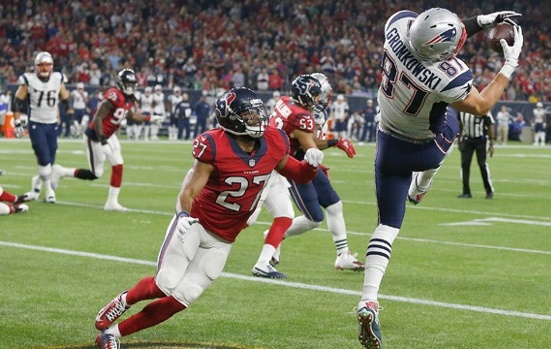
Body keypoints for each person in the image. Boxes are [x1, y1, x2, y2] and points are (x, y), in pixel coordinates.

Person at [92, 87, 323, 349]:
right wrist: (182, 216)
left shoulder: (274, 141)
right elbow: (189, 190)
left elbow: (300, 175)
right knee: (165, 283)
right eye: (250, 115)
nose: (258, 119)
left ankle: (112, 335)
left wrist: (310, 166)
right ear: (232, 118)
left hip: (224, 238)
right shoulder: (214, 144)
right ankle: (123, 301)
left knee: (183, 297)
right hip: (196, 224)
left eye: (259, 113)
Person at [356, 8, 523, 349]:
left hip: (388, 142)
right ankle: (423, 186)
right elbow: (481, 106)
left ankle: (368, 299)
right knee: (454, 122)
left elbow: (437, 34)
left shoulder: (396, 27)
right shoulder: (449, 75)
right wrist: (511, 62)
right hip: (425, 149)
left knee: (387, 224)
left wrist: (484, 20)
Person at [247, 73, 363, 278]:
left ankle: (343, 254)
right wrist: (336, 142)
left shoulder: (284, 101)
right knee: (314, 219)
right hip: (291, 165)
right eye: (318, 95)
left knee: (335, 205)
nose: (320, 99)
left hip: (294, 157)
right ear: (307, 95)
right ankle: (274, 237)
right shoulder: (302, 117)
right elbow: (311, 148)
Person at [50, 69, 163, 211]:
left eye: (132, 83)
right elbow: (97, 118)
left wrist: (150, 118)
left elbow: (132, 116)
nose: (130, 86)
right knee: (96, 173)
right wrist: (102, 141)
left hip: (108, 136)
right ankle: (60, 172)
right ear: (121, 84)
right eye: (127, 83)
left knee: (118, 164)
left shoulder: (128, 98)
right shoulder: (114, 96)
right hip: (95, 136)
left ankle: (112, 202)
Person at [16, 51, 73, 203]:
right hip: (36, 122)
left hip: (52, 123)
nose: (44, 68)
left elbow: (65, 96)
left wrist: (70, 113)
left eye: (47, 65)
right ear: (35, 67)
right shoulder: (28, 79)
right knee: (43, 155)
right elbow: (17, 101)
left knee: (51, 157)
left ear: (52, 66)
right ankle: (49, 190)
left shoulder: (57, 78)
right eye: (41, 65)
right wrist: (17, 122)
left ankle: (37, 182)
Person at [457, 108, 495, 199]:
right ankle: (466, 192)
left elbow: (490, 125)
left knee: (482, 165)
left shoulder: (482, 108)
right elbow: (460, 125)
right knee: (464, 165)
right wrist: (459, 140)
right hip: (467, 140)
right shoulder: (461, 110)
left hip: (481, 140)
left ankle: (489, 191)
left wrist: (491, 144)